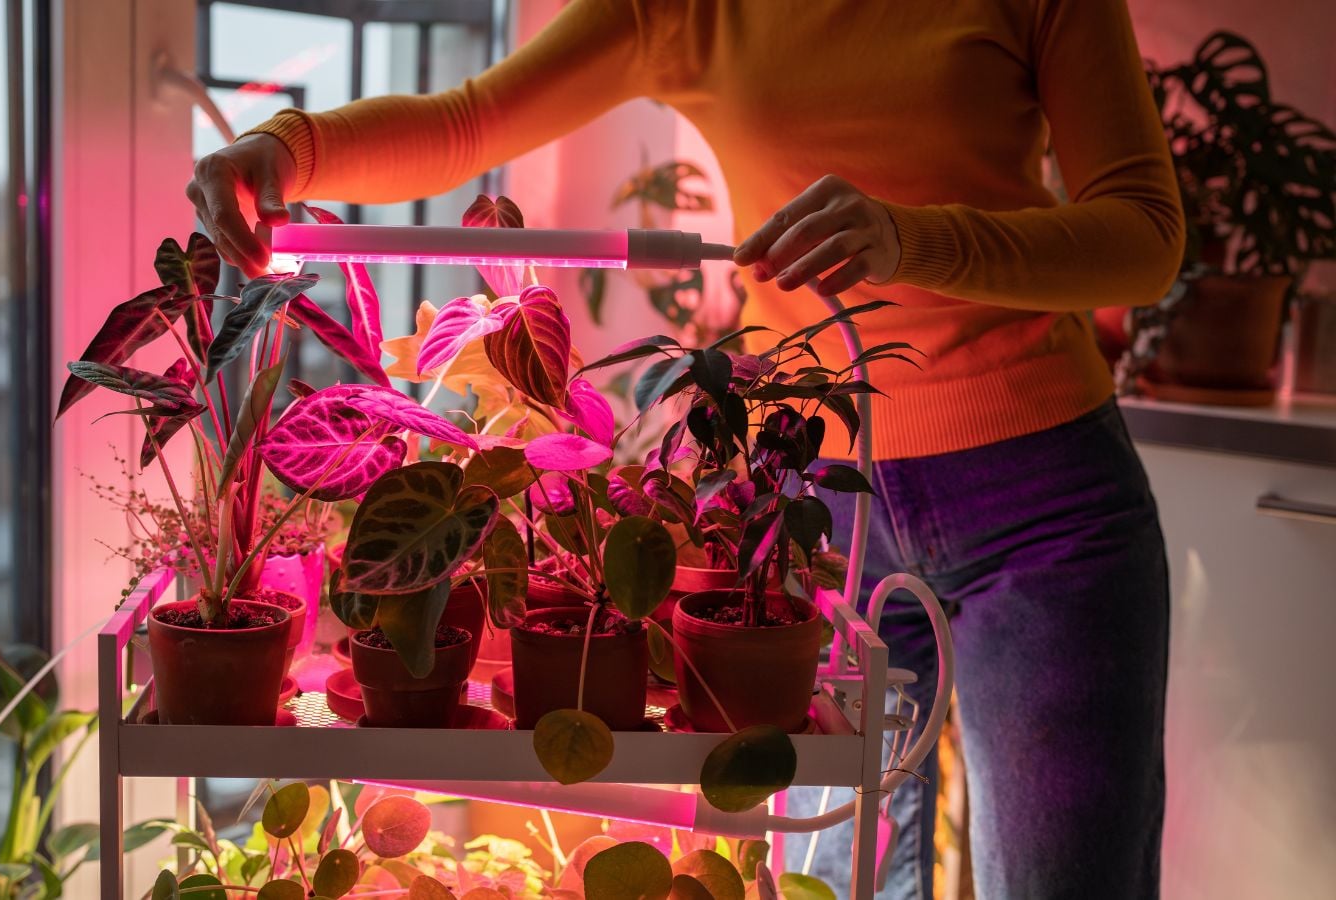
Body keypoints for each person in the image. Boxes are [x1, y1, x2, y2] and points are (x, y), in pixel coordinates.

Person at [189, 1, 1180, 897]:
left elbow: (1145, 235)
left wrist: (911, 240)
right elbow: (470, 120)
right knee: (837, 875)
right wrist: (285, 149)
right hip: (815, 506)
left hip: (1045, 497)